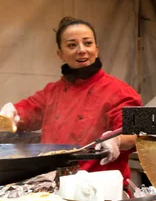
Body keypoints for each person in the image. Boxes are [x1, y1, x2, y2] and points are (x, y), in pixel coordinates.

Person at [0, 17, 142, 185]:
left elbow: (134, 134)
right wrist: (12, 113)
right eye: (72, 45)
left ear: (96, 50)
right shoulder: (52, 91)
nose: (81, 50)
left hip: (98, 189)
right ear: (60, 54)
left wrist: (116, 139)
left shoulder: (118, 91)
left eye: (87, 43)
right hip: (50, 185)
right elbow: (28, 110)